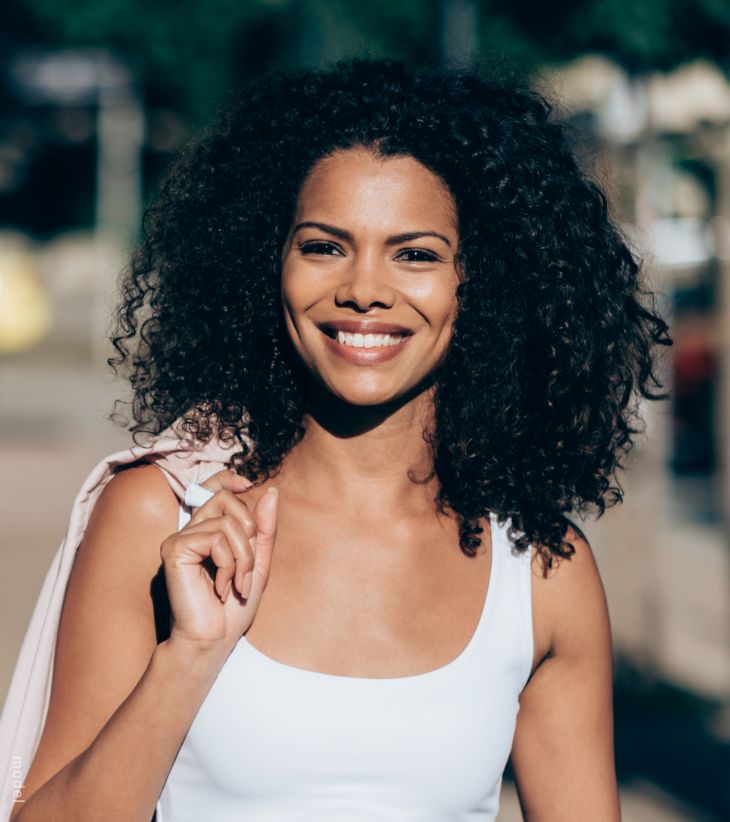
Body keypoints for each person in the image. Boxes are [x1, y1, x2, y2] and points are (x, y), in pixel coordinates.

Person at [4, 57, 671, 821]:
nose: (363, 290)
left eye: (415, 254)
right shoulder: (161, 519)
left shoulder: (544, 573)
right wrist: (188, 657)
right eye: (324, 246)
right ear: (270, 262)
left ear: (484, 284)